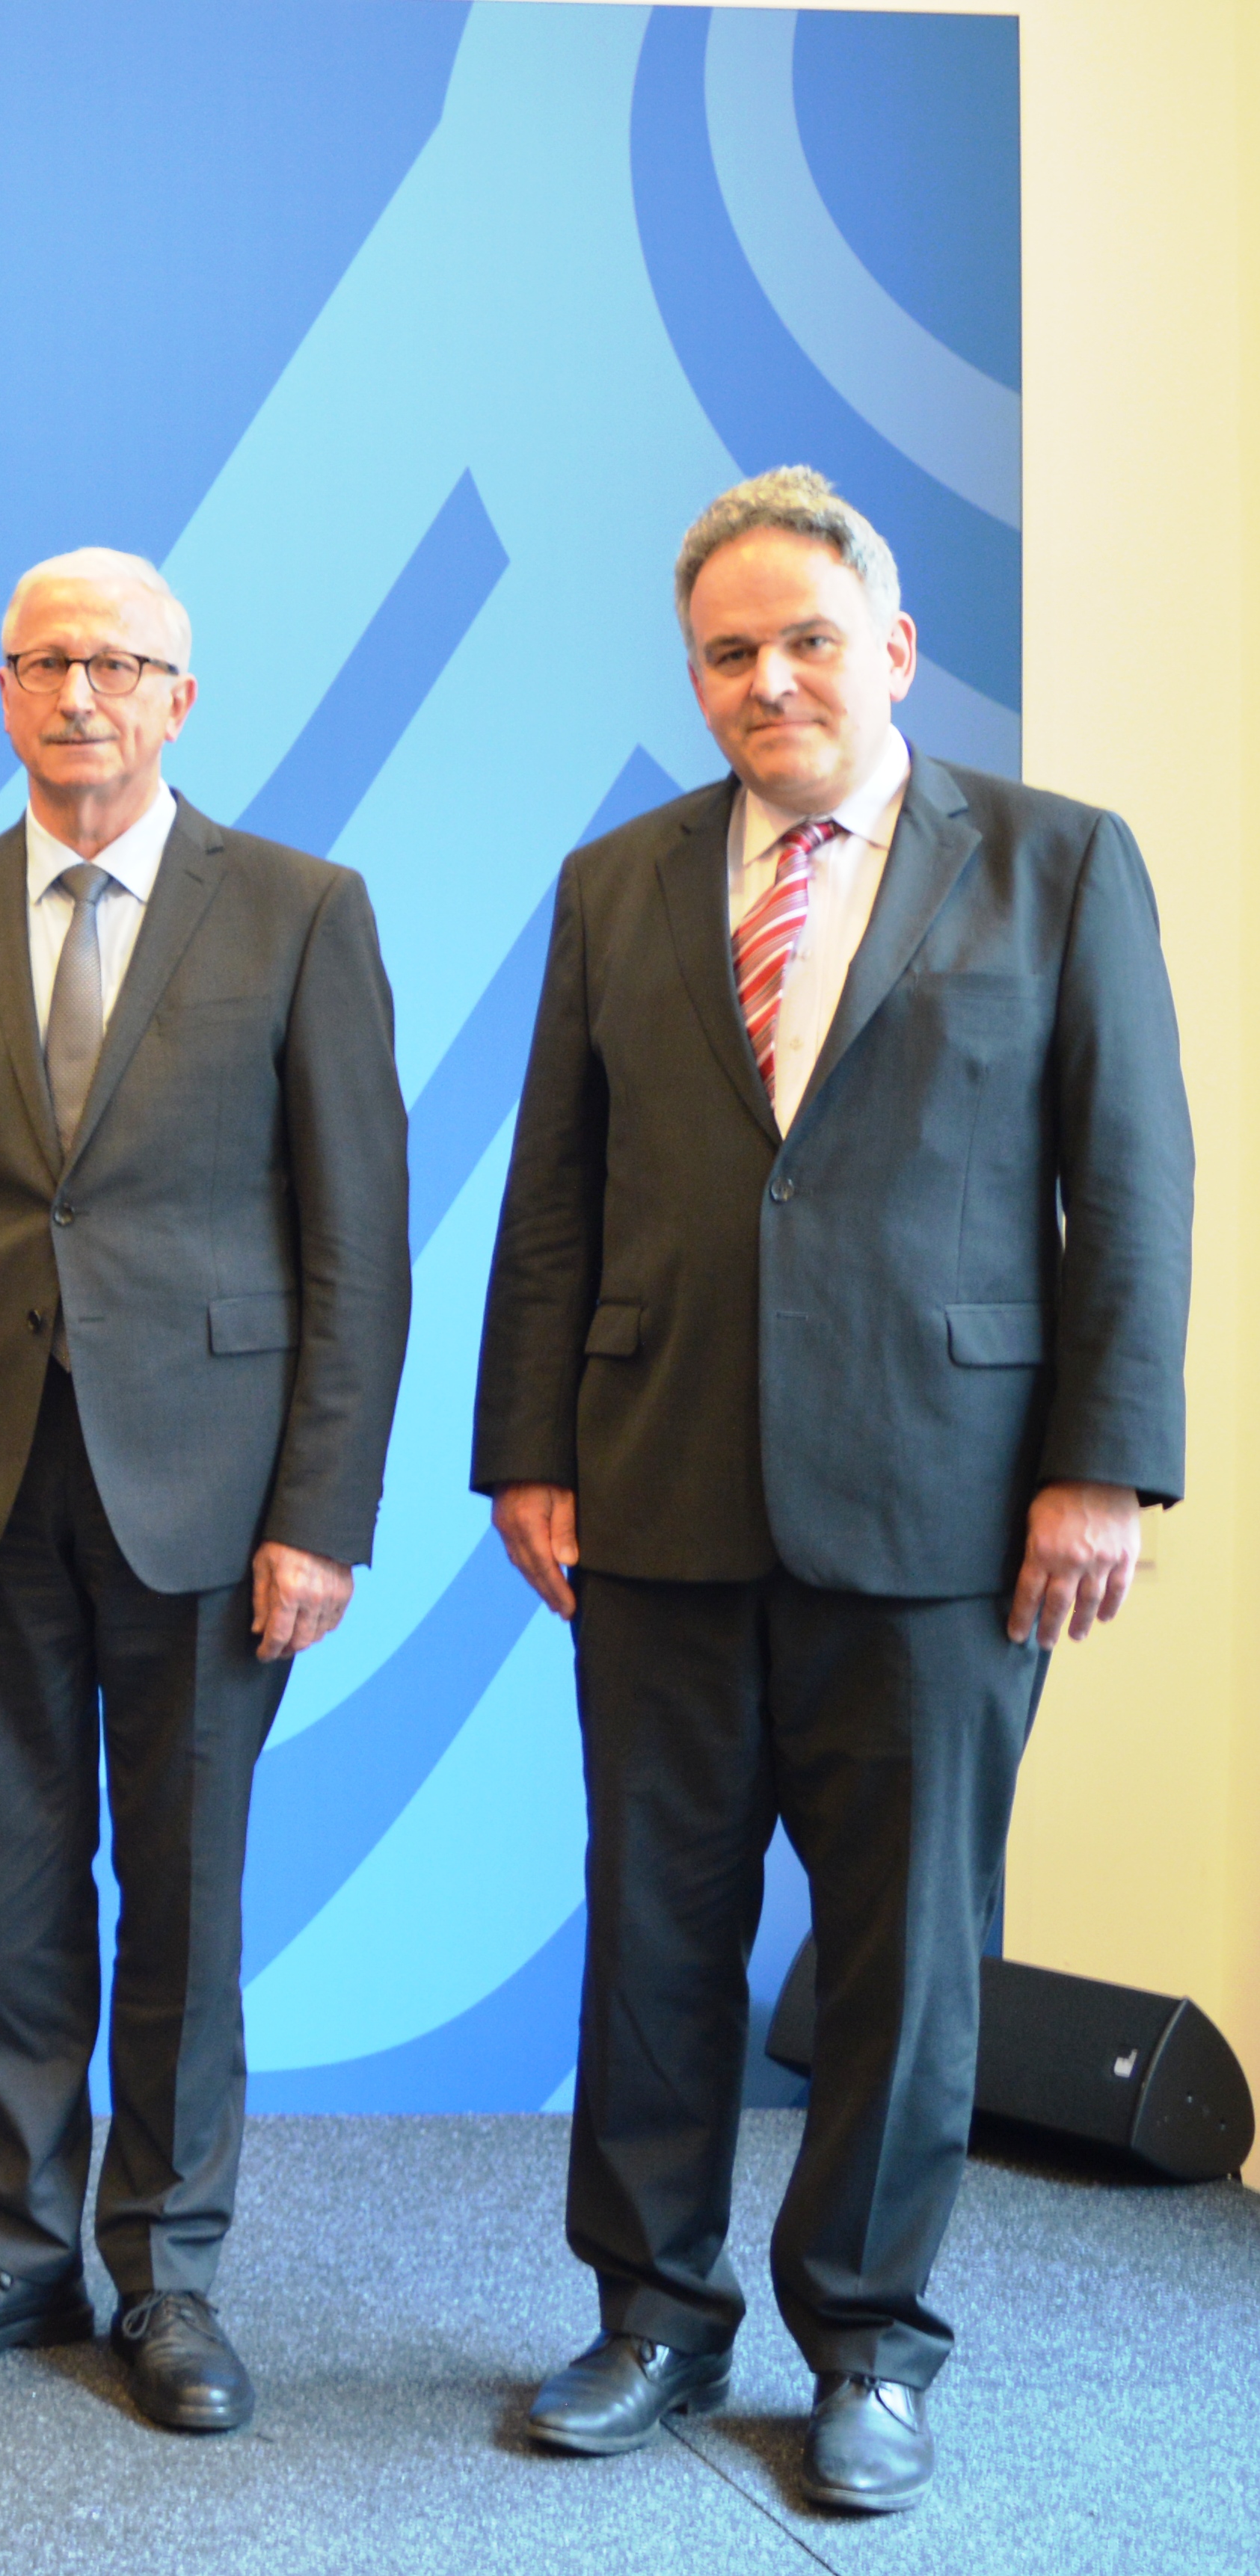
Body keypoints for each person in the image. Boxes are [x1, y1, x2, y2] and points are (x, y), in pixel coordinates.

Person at [474, 467, 1190, 2515]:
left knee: (907, 1949)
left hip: (949, 1512)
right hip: (656, 1489)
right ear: (690, 677)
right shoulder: (616, 882)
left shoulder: (1050, 862)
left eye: (802, 637)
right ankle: (648, 2310)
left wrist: (1099, 1466)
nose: (763, 675)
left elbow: (1127, 1182)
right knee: (652, 1930)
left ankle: (864, 2340)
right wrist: (524, 1443)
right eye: (724, 649)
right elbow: (552, 1197)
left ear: (887, 645)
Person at [0, 548, 408, 2435]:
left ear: (182, 693)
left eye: (121, 663)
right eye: (46, 662)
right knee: (9, 1888)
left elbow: (361, 1244)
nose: (81, 693)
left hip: (217, 1493)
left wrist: (320, 1510)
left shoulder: (303, 910)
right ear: (2, 690)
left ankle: (167, 2271)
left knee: (183, 1892)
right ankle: (19, 2245)